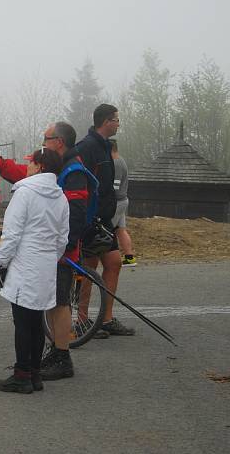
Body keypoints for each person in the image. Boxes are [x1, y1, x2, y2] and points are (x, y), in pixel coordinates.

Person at [0, 121, 90, 381]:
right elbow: (22, 173)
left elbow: (74, 217)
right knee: (40, 313)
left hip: (53, 256)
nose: (43, 141)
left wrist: (62, 252)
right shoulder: (55, 182)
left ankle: (53, 360)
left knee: (52, 308)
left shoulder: (73, 172)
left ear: (58, 141)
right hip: (52, 254)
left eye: (46, 138)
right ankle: (35, 369)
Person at [0, 148, 69, 394]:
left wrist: (0, 263)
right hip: (46, 264)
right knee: (36, 320)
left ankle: (22, 374)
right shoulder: (60, 197)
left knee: (22, 322)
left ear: (40, 166)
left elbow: (12, 233)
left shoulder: (24, 193)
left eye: (31, 162)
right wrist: (50, 258)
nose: (26, 166)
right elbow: (62, 239)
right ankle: (34, 373)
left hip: (25, 262)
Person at [74, 104, 135, 336]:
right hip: (90, 221)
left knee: (114, 263)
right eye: (116, 120)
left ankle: (106, 319)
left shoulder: (106, 147)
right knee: (89, 268)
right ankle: (81, 321)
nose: (119, 124)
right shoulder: (87, 147)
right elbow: (81, 183)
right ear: (105, 122)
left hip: (105, 221)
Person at [111, 140, 137, 267]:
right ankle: (129, 257)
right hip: (123, 200)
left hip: (117, 202)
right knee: (121, 230)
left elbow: (114, 186)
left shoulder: (116, 163)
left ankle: (109, 258)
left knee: (108, 230)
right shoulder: (121, 160)